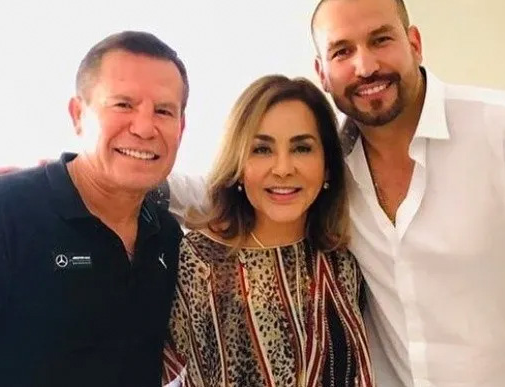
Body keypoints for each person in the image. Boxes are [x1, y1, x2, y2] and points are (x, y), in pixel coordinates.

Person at [165, 0, 505, 387]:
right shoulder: (328, 167)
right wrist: (126, 174)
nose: (365, 66)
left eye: (380, 40)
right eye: (342, 51)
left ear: (415, 43)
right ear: (322, 71)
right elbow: (224, 188)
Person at [0, 31, 188, 387]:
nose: (144, 127)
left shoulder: (166, 235)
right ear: (78, 115)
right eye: (123, 105)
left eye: (164, 111)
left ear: (181, 127)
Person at [160, 75, 374, 386]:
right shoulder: (199, 263)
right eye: (262, 149)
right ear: (238, 163)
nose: (283, 168)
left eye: (302, 148)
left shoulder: (344, 258)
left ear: (327, 166)